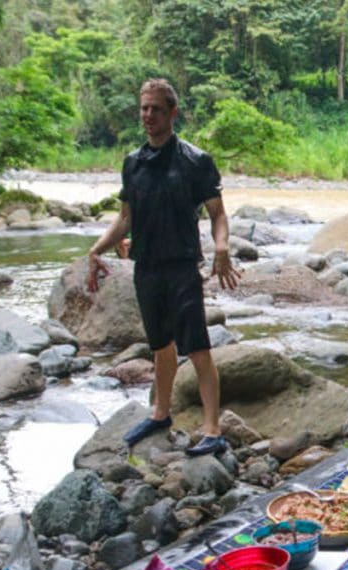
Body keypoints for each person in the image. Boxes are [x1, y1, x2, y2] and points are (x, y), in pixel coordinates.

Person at [86, 78, 240, 456]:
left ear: (173, 113)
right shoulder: (133, 163)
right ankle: (160, 413)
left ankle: (213, 428)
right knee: (160, 344)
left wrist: (222, 247)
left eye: (156, 109)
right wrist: (98, 248)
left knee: (197, 347)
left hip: (182, 265)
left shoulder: (195, 161)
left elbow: (218, 214)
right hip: (146, 267)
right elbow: (126, 217)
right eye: (144, 108)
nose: (148, 115)